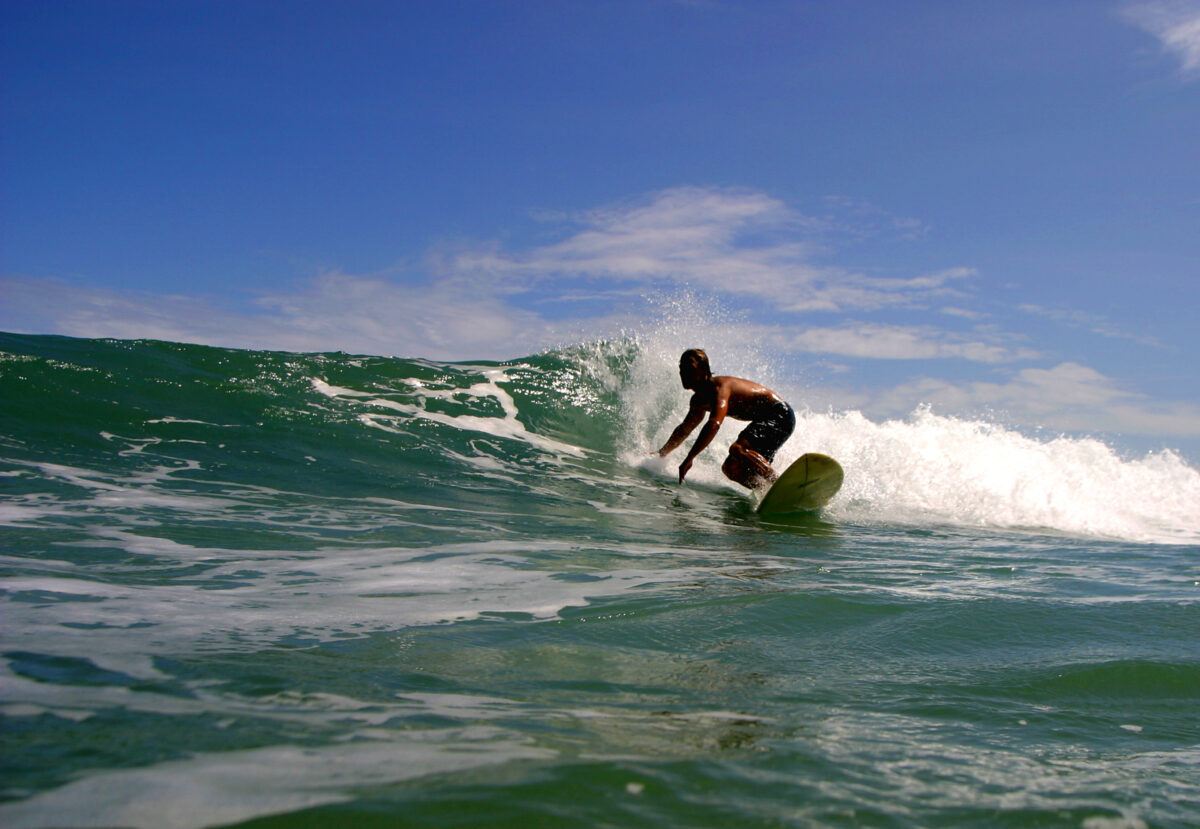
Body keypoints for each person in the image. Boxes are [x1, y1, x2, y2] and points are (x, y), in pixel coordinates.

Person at [654, 349, 795, 490]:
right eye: (681, 367)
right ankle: (767, 490)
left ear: (704, 370)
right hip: (768, 419)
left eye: (689, 367)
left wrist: (690, 457)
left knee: (738, 448)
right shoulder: (698, 401)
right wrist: (662, 453)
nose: (683, 372)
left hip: (779, 413)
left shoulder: (719, 388)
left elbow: (714, 424)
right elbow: (685, 429)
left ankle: (781, 485)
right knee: (730, 469)